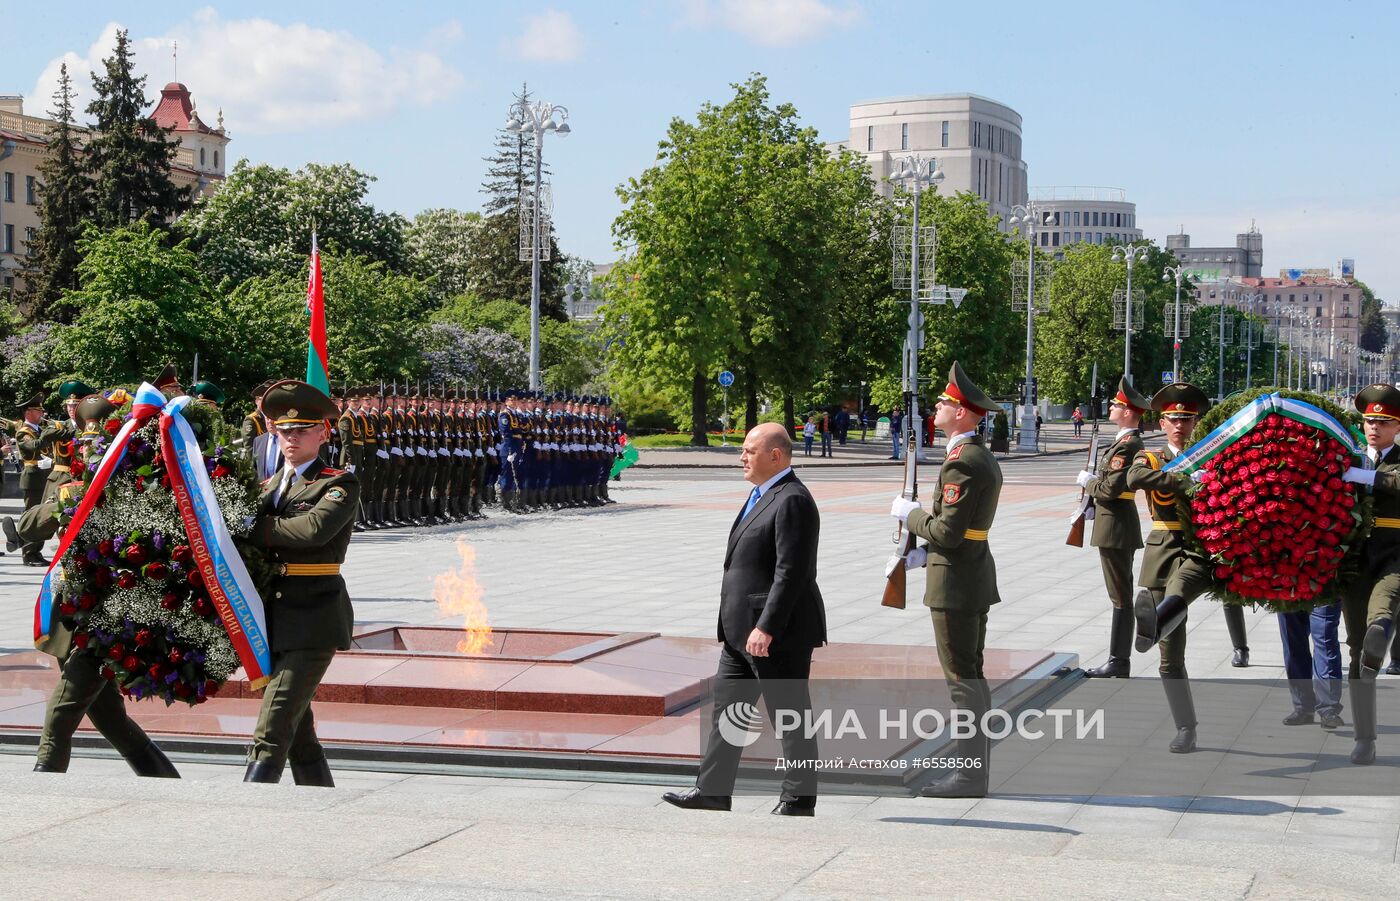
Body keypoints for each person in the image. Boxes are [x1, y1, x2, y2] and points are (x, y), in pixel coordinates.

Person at [663, 422, 827, 816]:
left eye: (750, 450)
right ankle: (713, 791)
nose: (742, 457)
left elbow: (793, 573)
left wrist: (767, 627)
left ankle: (799, 798)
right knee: (727, 713)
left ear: (776, 456)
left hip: (775, 632)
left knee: (789, 716)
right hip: (740, 631)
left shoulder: (792, 500)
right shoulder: (761, 494)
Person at [33, 391, 180, 778]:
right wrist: (69, 498)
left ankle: (40, 785)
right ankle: (166, 784)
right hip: (72, 612)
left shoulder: (133, 486)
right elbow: (35, 521)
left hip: (112, 618)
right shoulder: (72, 484)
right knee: (110, 720)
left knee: (62, 711)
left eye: (96, 444)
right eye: (83, 442)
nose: (87, 450)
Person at [890, 362, 1002, 798]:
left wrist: (910, 515)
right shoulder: (973, 456)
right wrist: (923, 553)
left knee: (962, 683)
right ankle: (976, 772)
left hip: (955, 584)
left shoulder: (964, 462)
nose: (937, 406)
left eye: (944, 402)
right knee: (972, 676)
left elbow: (948, 531)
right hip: (967, 573)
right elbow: (959, 532)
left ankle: (970, 778)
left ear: (962, 413)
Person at [243, 379, 359, 786]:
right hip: (271, 617)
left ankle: (247, 809)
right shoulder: (270, 484)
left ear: (323, 433)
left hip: (314, 617)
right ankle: (321, 802)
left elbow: (312, 531)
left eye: (301, 430)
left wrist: (253, 526)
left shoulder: (337, 482)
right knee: (298, 731)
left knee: (272, 727)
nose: (291, 438)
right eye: (284, 431)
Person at [1124, 382, 1212, 753]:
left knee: (1179, 594)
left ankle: (1155, 621)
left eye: (1187, 419)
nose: (1180, 425)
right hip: (1162, 549)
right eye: (1174, 418)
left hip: (1196, 549)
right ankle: (1186, 727)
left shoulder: (1209, 455)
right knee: (1170, 654)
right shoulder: (1153, 457)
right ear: (1163, 421)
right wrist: (1183, 480)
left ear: (1195, 422)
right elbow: (1133, 478)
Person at [1336, 383, 1400, 765]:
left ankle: (1383, 633)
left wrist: (1366, 479)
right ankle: (1364, 738)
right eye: (1369, 421)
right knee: (1358, 652)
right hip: (1356, 562)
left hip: (1394, 557)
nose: (1374, 428)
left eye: (1383, 422)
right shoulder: (1352, 456)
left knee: (1384, 610)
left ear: (1397, 426)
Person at [1076, 377, 1149, 678]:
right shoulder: (1122, 443)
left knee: (1120, 596)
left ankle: (1119, 661)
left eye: (1117, 404)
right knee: (1118, 594)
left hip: (1117, 528)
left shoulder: (1129, 446)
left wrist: (1087, 482)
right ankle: (1118, 660)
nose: (1111, 406)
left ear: (1130, 412)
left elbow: (1109, 489)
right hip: (1112, 525)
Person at [1277, 605, 1344, 730]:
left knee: (1325, 639)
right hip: (1286, 590)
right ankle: (1303, 706)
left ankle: (1328, 708)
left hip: (1325, 590)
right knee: (1292, 644)